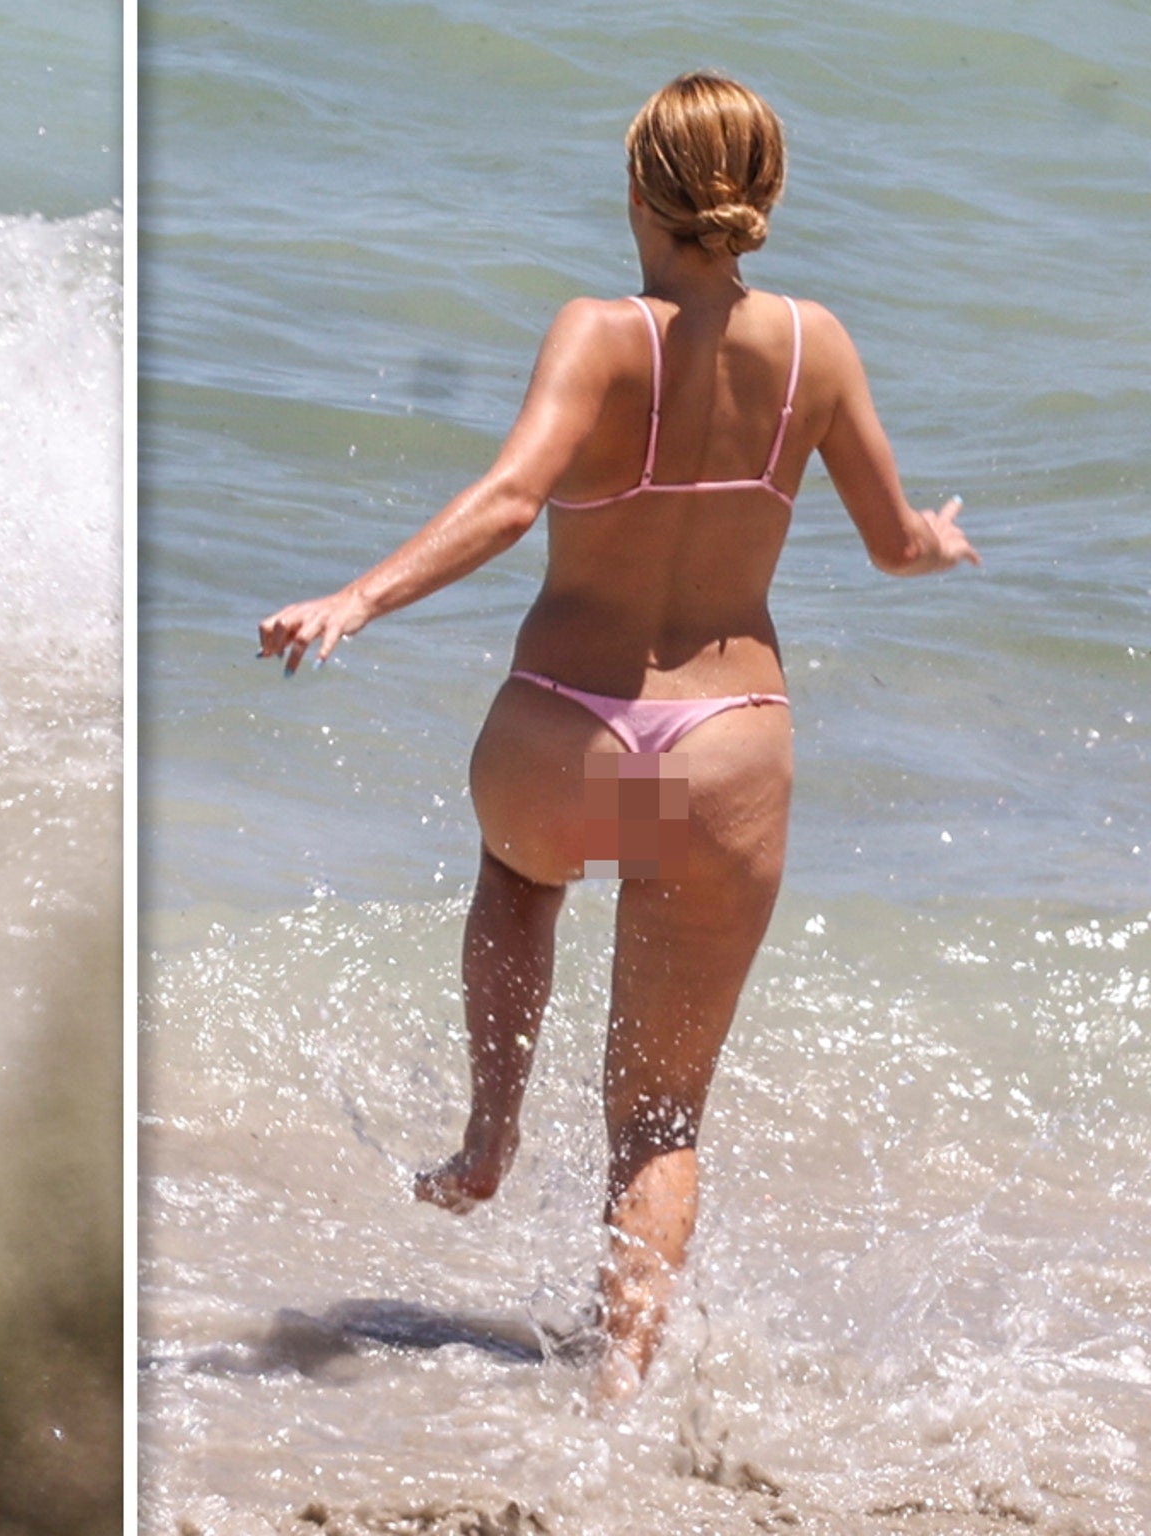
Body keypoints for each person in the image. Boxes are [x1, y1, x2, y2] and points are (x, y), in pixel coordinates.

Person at [257, 72, 973, 1402]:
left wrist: (359, 595)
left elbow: (511, 498)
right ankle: (619, 1389)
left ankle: (486, 1136)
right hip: (725, 753)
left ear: (639, 191)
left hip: (564, 744)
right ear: (764, 194)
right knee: (658, 1117)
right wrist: (941, 538)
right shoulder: (818, 346)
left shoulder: (596, 332)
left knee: (521, 877)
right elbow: (892, 546)